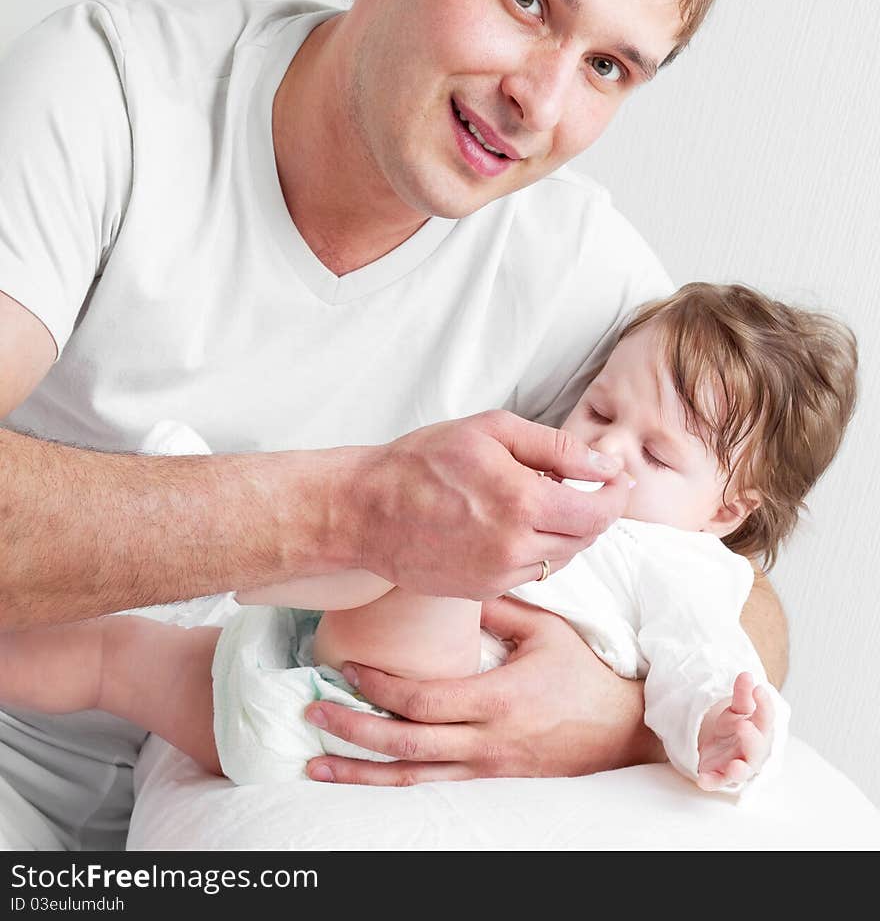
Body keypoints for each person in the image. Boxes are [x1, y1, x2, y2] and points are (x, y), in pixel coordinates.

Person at [0, 0, 787, 849]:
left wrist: (611, 714)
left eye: (606, 65)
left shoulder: (581, 273)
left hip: (224, 811)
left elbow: (730, 591)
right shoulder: (109, 95)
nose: (540, 101)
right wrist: (349, 510)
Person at [0, 283, 856, 796]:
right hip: (282, 680)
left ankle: (241, 540)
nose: (603, 449)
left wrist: (718, 724)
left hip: (391, 708)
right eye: (598, 408)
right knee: (108, 658)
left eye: (656, 454)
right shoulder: (557, 474)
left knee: (432, 541)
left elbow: (705, 653)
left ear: (725, 512)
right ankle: (228, 546)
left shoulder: (678, 561)